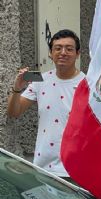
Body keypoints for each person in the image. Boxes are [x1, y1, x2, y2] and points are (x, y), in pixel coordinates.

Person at [7, 29, 84, 180]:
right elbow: (14, 112)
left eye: (69, 49)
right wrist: (17, 87)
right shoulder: (39, 79)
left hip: (75, 168)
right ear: (50, 53)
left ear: (78, 54)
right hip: (43, 167)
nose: (63, 52)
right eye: (58, 48)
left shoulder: (88, 83)